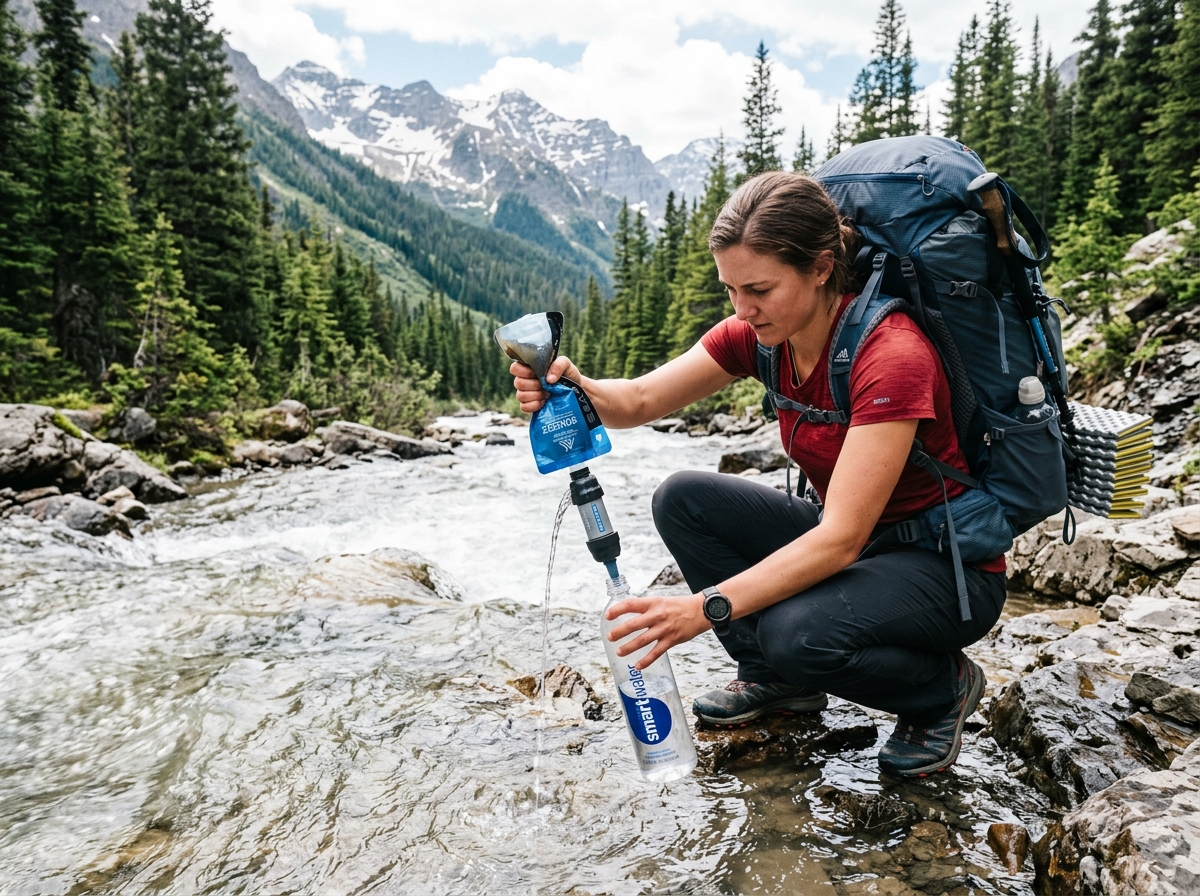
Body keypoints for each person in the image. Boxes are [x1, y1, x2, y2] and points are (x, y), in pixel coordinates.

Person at [510, 172, 1007, 778]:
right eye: (730, 290)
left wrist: (702, 609)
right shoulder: (762, 335)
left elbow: (840, 538)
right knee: (683, 498)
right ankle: (776, 681)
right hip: (860, 549)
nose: (742, 309)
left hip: (941, 568)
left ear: (823, 267)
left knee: (796, 634)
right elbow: (639, 401)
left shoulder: (891, 355)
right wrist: (576, 388)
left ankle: (940, 690)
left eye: (759, 290)